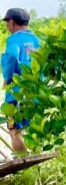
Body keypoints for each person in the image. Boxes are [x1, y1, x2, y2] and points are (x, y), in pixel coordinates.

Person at [2, 8, 41, 154]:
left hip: (16, 94)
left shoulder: (14, 39)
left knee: (15, 130)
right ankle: (38, 162)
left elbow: (12, 56)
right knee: (34, 128)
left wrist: (7, 77)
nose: (7, 27)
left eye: (7, 23)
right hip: (36, 92)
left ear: (11, 22)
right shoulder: (38, 40)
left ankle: (23, 163)